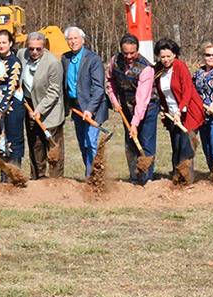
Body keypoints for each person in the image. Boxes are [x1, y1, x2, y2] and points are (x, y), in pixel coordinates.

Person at [104, 34, 157, 184]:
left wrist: (134, 124)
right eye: (125, 53)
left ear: (137, 51)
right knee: (130, 144)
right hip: (126, 108)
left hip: (147, 110)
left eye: (132, 53)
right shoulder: (115, 60)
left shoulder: (146, 68)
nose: (129, 56)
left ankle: (146, 180)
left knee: (145, 143)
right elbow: (110, 80)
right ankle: (134, 177)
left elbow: (142, 99)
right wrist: (114, 100)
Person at [153, 38, 205, 177]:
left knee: (185, 146)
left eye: (168, 56)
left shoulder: (180, 66)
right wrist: (162, 109)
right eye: (162, 56)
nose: (165, 59)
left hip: (188, 112)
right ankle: (176, 176)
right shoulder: (158, 70)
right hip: (171, 114)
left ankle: (186, 177)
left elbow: (187, 90)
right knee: (176, 146)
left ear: (174, 55)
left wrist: (179, 111)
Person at [62, 27, 109, 173]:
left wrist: (90, 109)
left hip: (92, 108)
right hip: (76, 109)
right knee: (83, 144)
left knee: (91, 142)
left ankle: (95, 177)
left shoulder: (93, 59)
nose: (73, 41)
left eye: (76, 38)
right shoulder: (65, 58)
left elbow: (99, 88)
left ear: (82, 39)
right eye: (70, 39)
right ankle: (90, 172)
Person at [22, 31, 65, 179]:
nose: (34, 52)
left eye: (38, 49)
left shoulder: (53, 63)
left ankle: (55, 181)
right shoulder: (22, 55)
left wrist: (40, 109)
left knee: (53, 149)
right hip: (30, 109)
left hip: (50, 110)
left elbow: (54, 91)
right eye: (31, 48)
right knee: (36, 146)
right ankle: (37, 179)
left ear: (44, 47)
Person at [0, 30, 26, 172]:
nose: (1, 45)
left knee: (13, 139)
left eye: (4, 42)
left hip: (12, 103)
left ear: (10, 43)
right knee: (0, 140)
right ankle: (4, 176)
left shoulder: (15, 63)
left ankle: (15, 174)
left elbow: (11, 89)